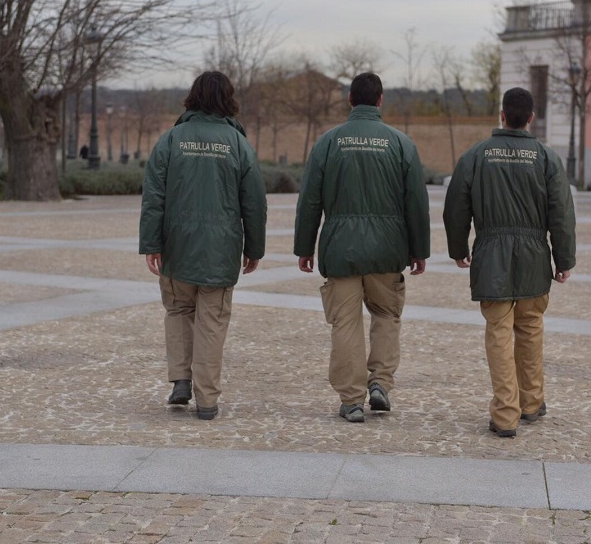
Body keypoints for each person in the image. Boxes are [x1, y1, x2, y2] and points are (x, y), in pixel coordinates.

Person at [294, 72, 431, 423]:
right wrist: (419, 250)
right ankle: (380, 383)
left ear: (350, 101)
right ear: (381, 100)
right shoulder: (401, 144)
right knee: (386, 316)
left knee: (346, 323)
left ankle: (352, 399)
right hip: (388, 249)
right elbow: (416, 201)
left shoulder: (328, 142)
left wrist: (304, 247)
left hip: (341, 249)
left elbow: (309, 200)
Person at [443, 87, 576, 438]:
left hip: (491, 254)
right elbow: (561, 213)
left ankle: (505, 413)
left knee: (499, 330)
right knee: (530, 325)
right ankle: (531, 402)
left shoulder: (475, 156)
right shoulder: (547, 158)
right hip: (534, 254)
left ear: (502, 115)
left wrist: (459, 248)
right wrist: (563, 259)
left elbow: (455, 206)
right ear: (531, 118)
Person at [139, 71, 267, 420]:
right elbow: (254, 202)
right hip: (220, 248)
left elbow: (154, 197)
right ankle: (206, 400)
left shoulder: (171, 140)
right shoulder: (238, 144)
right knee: (212, 321)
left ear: (193, 97)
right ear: (228, 99)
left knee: (179, 311)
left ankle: (181, 379)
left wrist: (151, 243)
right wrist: (254, 248)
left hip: (176, 245)